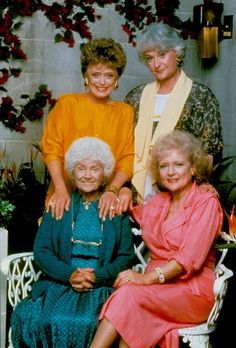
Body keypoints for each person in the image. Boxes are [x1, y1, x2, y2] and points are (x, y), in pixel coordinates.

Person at [90, 130, 223, 348]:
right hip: (159, 290)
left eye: (178, 165)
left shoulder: (206, 202)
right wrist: (123, 191)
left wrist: (147, 278)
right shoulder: (158, 202)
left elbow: (189, 259)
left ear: (193, 168)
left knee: (128, 295)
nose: (171, 172)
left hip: (193, 291)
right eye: (164, 166)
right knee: (131, 308)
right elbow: (131, 211)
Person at [10, 137, 135, 348]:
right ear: (72, 172)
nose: (87, 175)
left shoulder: (115, 209)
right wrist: (70, 275)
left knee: (90, 322)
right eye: (81, 168)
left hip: (101, 286)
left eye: (94, 169)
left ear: (104, 173)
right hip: (60, 282)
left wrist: (98, 276)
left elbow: (126, 255)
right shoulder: (60, 203)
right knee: (44, 319)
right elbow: (42, 251)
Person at [124, 22, 223, 203]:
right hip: (135, 192)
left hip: (181, 195)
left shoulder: (201, 96)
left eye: (162, 54)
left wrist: (200, 185)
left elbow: (209, 152)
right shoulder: (135, 97)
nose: (156, 64)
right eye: (149, 58)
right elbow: (123, 146)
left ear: (177, 52)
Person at [41, 38, 134, 221]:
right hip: (65, 194)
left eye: (109, 75)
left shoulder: (125, 112)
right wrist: (60, 189)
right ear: (86, 76)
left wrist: (112, 190)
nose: (102, 82)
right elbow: (52, 150)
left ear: (117, 79)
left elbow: (127, 158)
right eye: (95, 74)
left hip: (106, 201)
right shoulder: (67, 104)